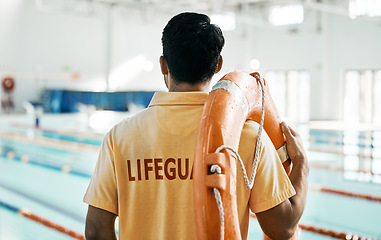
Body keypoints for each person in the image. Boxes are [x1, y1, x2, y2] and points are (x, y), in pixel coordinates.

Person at [83, 12, 309, 240]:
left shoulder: (120, 137)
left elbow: (95, 230)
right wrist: (301, 164)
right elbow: (283, 228)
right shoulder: (249, 137)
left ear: (163, 64)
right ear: (218, 65)